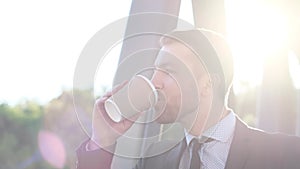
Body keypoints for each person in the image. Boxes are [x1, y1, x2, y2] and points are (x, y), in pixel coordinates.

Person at [76, 28, 300, 169]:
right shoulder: (152, 162)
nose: (154, 82)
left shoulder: (285, 154)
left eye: (169, 71)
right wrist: (101, 141)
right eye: (155, 69)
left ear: (206, 84)